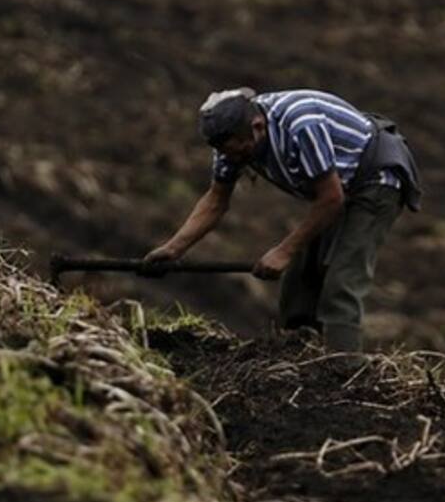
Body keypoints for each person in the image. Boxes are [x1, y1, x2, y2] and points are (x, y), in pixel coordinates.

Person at [144, 87, 422, 353]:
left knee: (341, 282)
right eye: (230, 153)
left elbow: (331, 199)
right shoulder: (229, 142)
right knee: (299, 279)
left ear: (257, 127)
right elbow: (216, 200)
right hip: (339, 188)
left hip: (376, 179)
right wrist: (174, 249)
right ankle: (299, 353)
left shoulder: (300, 125)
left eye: (241, 152)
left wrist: (284, 250)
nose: (236, 159)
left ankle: (344, 370)